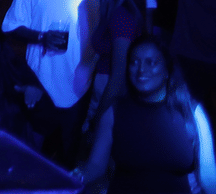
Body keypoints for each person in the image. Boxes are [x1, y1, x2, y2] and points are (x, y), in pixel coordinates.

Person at [2, 0, 98, 166]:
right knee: (33, 157)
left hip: (78, 85)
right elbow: (9, 27)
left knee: (68, 157)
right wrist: (41, 36)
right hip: (39, 81)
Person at [76, 36, 216, 192]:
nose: (141, 69)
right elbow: (95, 166)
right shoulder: (114, 111)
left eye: (151, 62)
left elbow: (208, 176)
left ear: (167, 70)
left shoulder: (190, 110)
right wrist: (78, 176)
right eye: (134, 62)